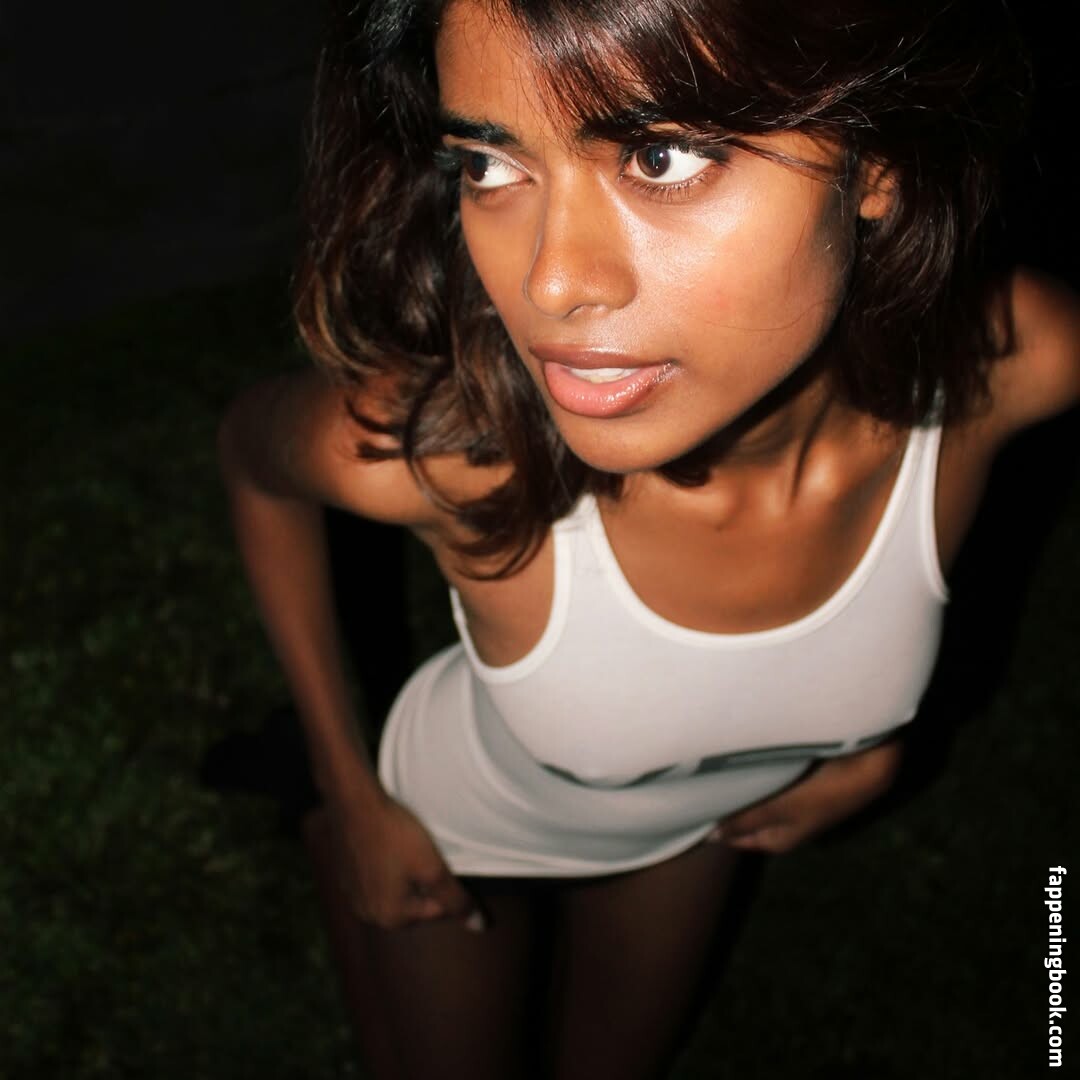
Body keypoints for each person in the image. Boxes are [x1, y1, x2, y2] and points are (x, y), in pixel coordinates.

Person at [218, 0, 1079, 1076]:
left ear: (878, 166)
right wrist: (352, 795)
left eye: (660, 156)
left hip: (694, 837)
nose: (549, 281)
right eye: (487, 165)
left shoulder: (1006, 369)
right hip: (454, 828)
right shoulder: (453, 453)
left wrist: (874, 753)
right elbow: (253, 465)